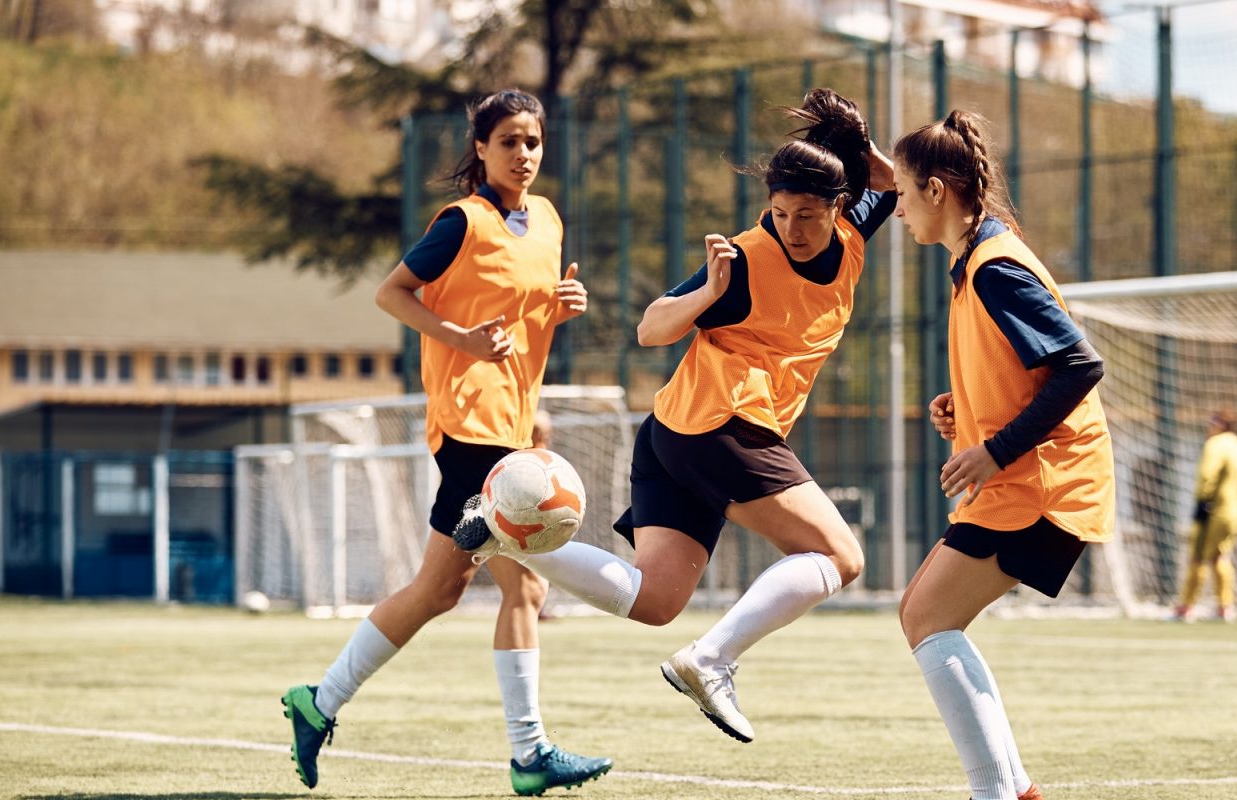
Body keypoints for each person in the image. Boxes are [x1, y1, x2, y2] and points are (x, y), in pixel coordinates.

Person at [457, 87, 895, 744]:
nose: (792, 229)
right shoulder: (746, 259)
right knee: (841, 556)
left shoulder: (853, 236)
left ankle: (503, 532)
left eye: (807, 215)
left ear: (839, 208)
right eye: (779, 213)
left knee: (656, 600)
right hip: (724, 423)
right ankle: (713, 660)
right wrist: (708, 294)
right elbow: (650, 328)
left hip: (673, 436)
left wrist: (856, 139)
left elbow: (886, 183)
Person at [280, 89, 611, 797]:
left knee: (438, 590)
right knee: (524, 582)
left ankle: (320, 702)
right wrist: (459, 338)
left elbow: (525, 312)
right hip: (469, 425)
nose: (524, 154)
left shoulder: (546, 220)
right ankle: (529, 755)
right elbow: (394, 292)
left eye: (533, 142)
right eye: (510, 142)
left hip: (512, 427)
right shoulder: (463, 221)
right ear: (482, 149)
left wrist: (560, 306)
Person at [890, 110, 1113, 800]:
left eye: (901, 192)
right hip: (1028, 479)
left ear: (935, 190)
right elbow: (1029, 373)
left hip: (1046, 483)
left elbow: (1080, 366)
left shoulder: (994, 268)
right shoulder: (975, 260)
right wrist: (968, 410)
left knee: (926, 616)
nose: (896, 209)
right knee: (926, 615)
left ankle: (999, 795)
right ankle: (1013, 791)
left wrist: (994, 449)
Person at [1170, 410, 1237, 623]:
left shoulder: (1215, 444)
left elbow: (1208, 474)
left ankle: (1186, 607)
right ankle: (1225, 608)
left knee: (1197, 556)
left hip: (1214, 509)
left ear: (1220, 425)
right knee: (1220, 556)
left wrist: (1202, 501)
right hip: (1236, 511)